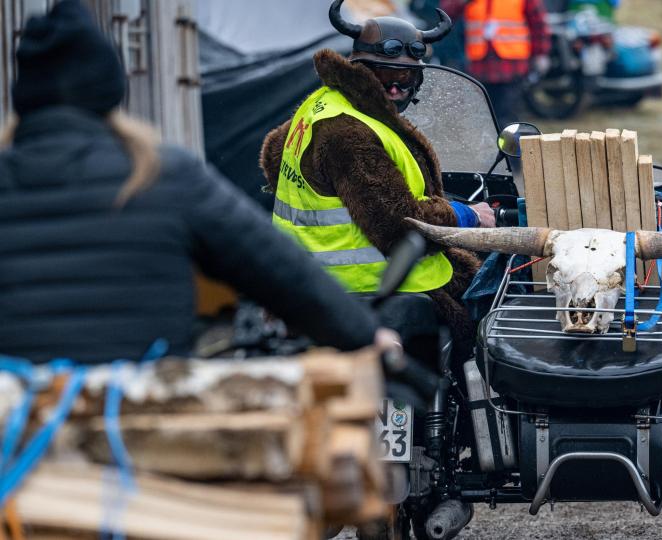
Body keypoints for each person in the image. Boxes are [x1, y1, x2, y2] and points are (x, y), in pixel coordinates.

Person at [0, 0, 397, 363]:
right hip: (139, 418)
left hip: (15, 424)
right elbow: (282, 272)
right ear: (109, 92)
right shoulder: (163, 175)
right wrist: (367, 335)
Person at [259, 0, 490, 353]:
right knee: (478, 328)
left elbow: (273, 154)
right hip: (371, 288)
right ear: (360, 70)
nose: (395, 88)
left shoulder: (323, 104)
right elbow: (399, 227)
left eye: (406, 77)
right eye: (384, 76)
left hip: (305, 281)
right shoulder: (348, 132)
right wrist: (467, 215)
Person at [442, 0, 551, 125]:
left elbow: (538, 23)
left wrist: (541, 53)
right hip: (479, 68)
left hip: (512, 67)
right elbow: (446, 13)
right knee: (482, 120)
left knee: (507, 120)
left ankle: (508, 143)